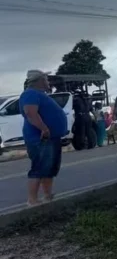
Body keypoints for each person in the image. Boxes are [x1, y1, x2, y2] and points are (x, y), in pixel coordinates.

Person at [19, 70, 68, 206]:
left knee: (49, 169)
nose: (48, 82)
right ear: (39, 80)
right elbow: (30, 113)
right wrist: (44, 129)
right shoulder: (30, 94)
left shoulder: (39, 94)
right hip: (41, 139)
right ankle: (32, 200)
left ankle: (47, 196)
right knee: (39, 168)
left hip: (50, 138)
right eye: (46, 79)